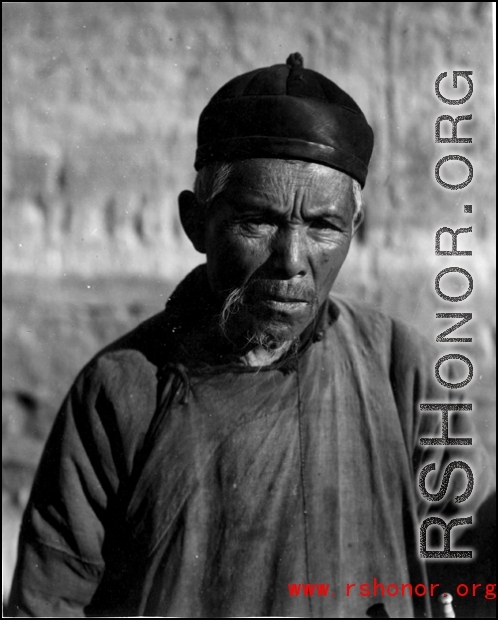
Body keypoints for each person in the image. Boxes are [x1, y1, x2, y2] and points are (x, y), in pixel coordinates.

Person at [6, 53, 485, 618]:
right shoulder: (121, 392)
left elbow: (471, 567)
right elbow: (48, 603)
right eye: (257, 220)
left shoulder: (402, 370)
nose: (291, 260)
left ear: (356, 229)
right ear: (195, 223)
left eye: (324, 226)